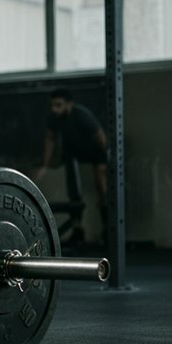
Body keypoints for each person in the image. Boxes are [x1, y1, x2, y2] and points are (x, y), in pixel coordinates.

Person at [34, 89, 107, 244]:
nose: (55, 109)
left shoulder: (81, 115)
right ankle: (77, 229)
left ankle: (107, 229)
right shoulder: (54, 118)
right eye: (53, 105)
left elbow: (99, 135)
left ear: (69, 104)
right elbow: (50, 139)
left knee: (102, 189)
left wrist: (107, 160)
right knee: (74, 192)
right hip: (73, 153)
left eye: (59, 105)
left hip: (94, 151)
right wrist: (45, 165)